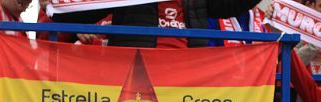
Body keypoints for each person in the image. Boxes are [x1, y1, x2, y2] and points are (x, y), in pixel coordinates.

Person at [49, 0, 258, 48]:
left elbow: (229, 5)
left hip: (189, 75)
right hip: (135, 73)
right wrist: (55, 6)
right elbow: (83, 11)